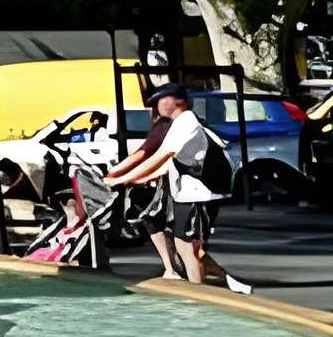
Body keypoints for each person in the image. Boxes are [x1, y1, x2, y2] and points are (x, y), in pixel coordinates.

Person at [106, 85, 248, 294]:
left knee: (189, 247)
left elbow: (161, 155)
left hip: (198, 195)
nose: (157, 104)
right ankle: (210, 287)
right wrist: (137, 179)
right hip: (189, 194)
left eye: (162, 99)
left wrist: (123, 178)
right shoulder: (178, 124)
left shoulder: (187, 121)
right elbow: (168, 164)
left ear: (178, 101)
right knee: (188, 247)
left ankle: (199, 294)